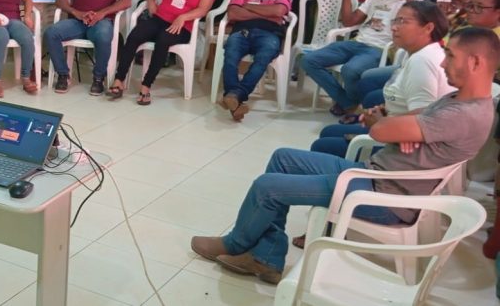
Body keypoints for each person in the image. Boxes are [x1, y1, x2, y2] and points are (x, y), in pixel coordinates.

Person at [190, 27, 499, 285]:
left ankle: (236, 244)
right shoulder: (458, 98)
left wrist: (389, 124)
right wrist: (394, 123)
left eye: (451, 56)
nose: (444, 64)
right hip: (373, 172)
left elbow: (381, 131)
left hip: (383, 194)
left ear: (475, 62)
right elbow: (404, 118)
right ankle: (266, 258)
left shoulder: (464, 114)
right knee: (283, 157)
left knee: (267, 186)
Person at [309, 2, 453, 159]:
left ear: (428, 28)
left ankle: (351, 178)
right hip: (396, 127)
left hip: (406, 149)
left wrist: (381, 122)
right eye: (395, 21)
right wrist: (383, 110)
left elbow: (422, 118)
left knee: (322, 145)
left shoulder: (423, 61)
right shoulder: (417, 54)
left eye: (403, 22)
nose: (394, 27)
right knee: (328, 132)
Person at [352, 0, 487, 112]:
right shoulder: (454, 16)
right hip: (424, 57)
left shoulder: (476, 26)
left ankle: (376, 122)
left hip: (439, 68)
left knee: (372, 94)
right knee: (368, 80)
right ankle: (367, 118)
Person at [301, 0, 417, 117]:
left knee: (350, 70)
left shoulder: (416, 4)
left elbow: (417, 29)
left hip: (379, 49)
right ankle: (349, 103)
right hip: (356, 43)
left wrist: (409, 0)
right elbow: (349, 21)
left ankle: (347, 104)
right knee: (309, 60)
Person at [107, 0, 212, 105]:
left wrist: (183, 16)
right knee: (134, 35)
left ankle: (146, 86)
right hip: (160, 19)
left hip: (181, 27)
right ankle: (119, 80)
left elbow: (203, 9)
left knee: (163, 40)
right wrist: (151, 3)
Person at [216, 0, 292, 120]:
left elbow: (279, 12)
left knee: (263, 58)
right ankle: (236, 101)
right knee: (230, 55)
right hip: (242, 31)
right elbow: (233, 13)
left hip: (269, 34)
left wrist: (248, 7)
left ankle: (234, 95)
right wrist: (267, 12)